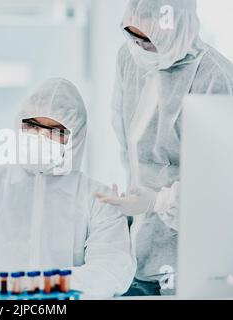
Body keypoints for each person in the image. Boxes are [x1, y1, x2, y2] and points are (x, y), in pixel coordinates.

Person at [0, 78, 135, 299]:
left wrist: (38, 291)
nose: (42, 137)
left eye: (56, 131)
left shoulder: (97, 199)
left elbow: (111, 269)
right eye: (34, 126)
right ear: (20, 124)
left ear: (76, 138)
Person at [96, 0, 233, 296]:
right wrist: (136, 201)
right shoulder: (129, 59)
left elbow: (222, 186)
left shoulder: (216, 77)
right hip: (139, 250)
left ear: (178, 29)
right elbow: (128, 143)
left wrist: (159, 202)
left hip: (195, 251)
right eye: (132, 35)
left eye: (148, 40)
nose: (139, 47)